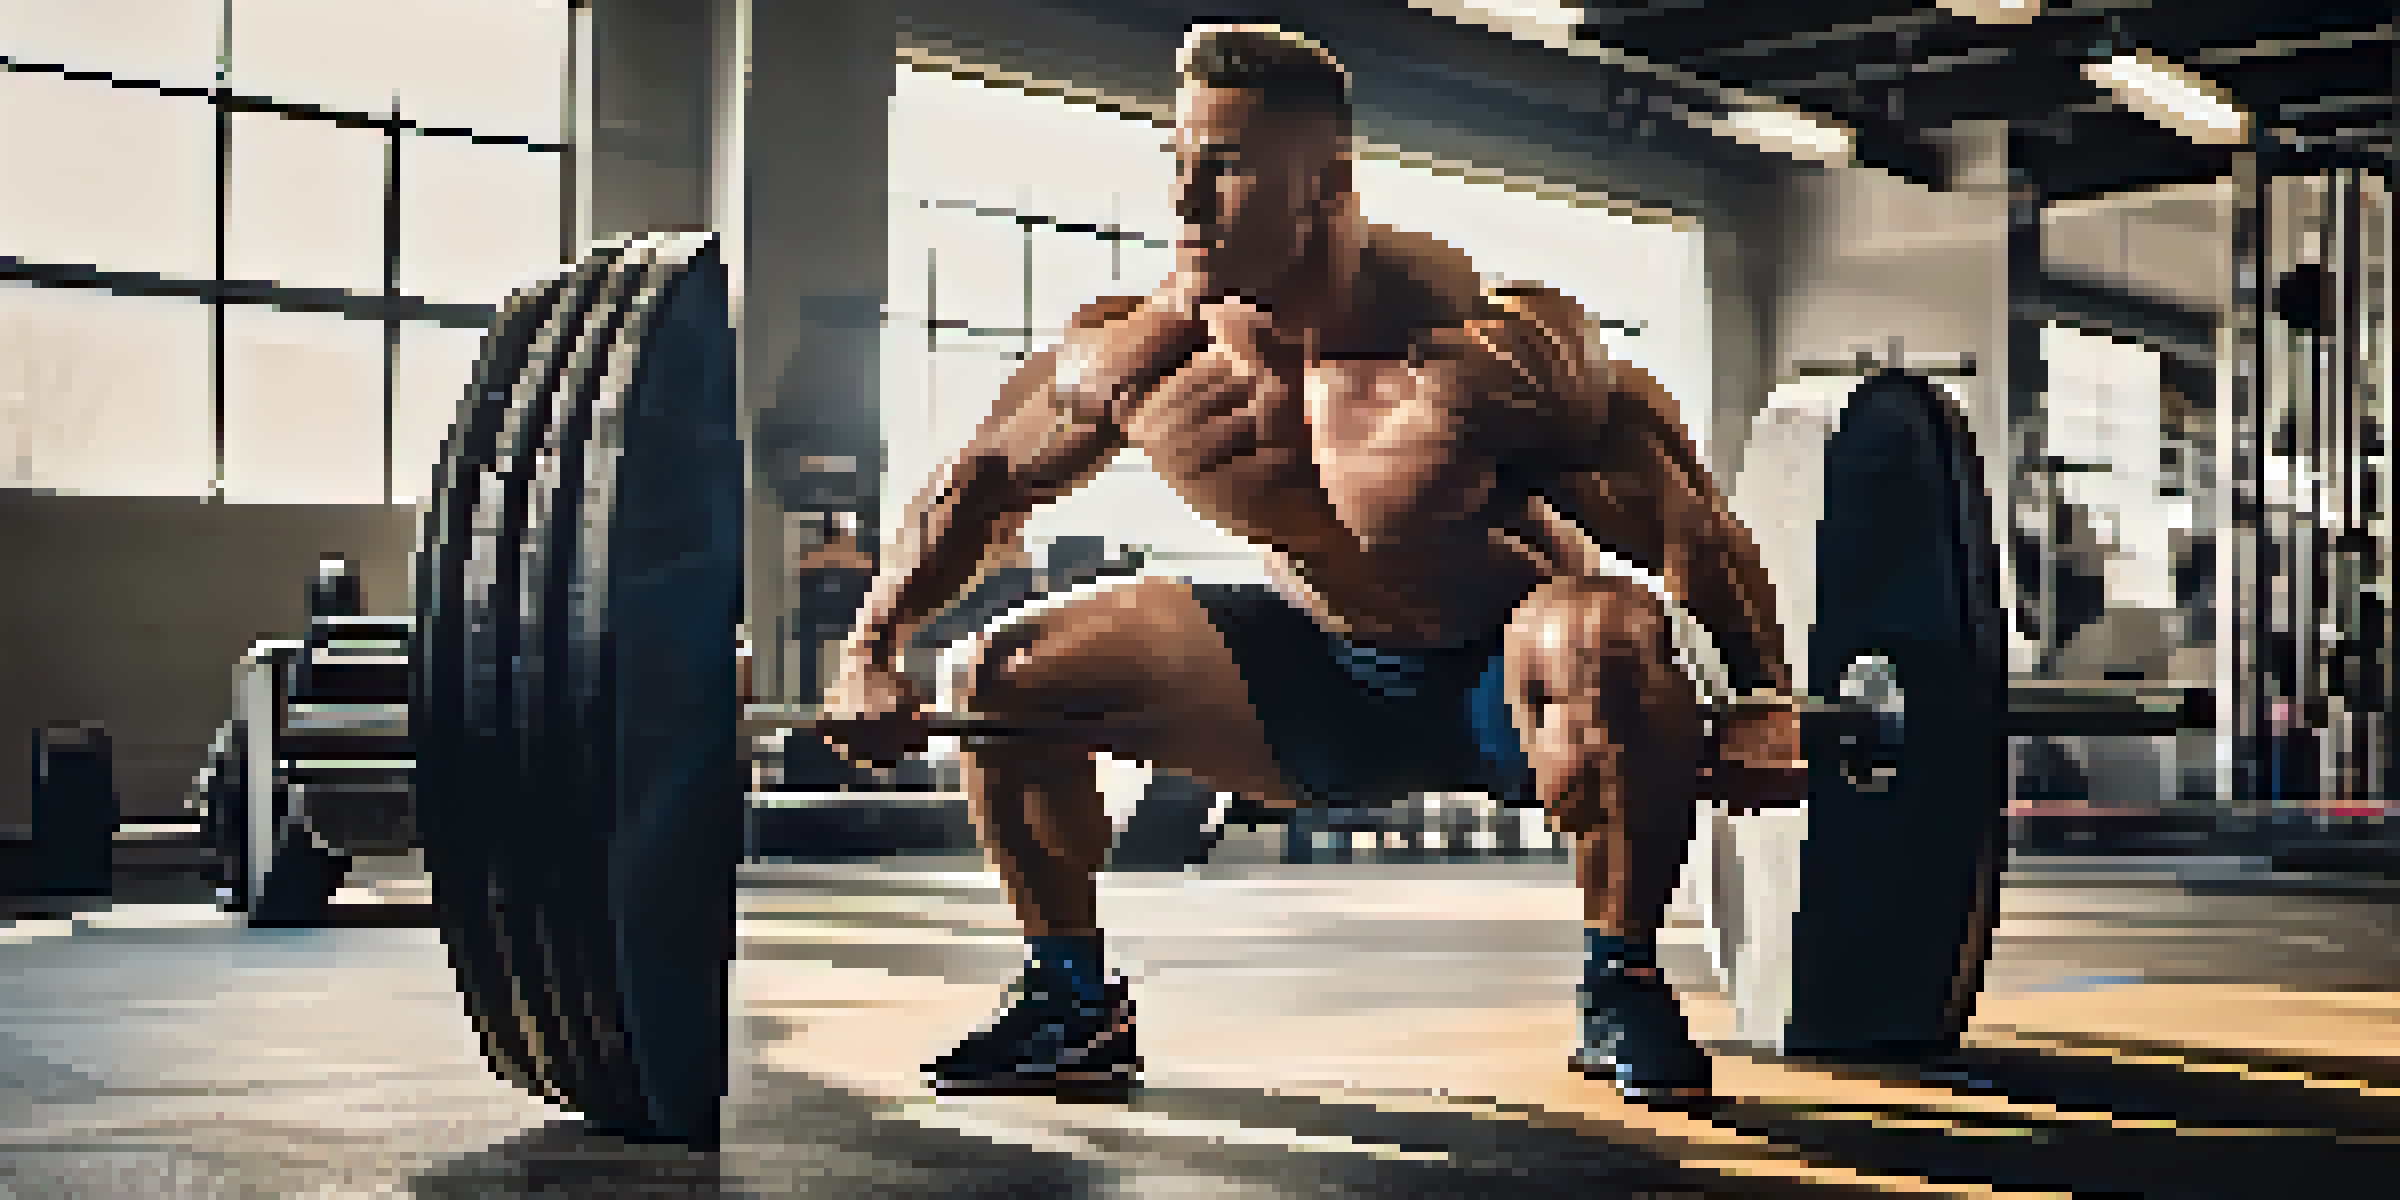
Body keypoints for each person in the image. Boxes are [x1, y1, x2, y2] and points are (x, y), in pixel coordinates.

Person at [819, 22, 1805, 1109]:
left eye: (1228, 168)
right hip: (1312, 683)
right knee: (1007, 674)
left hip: (1517, 696)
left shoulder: (1480, 355)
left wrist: (1762, 697)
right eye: (1179, 164)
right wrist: (871, 648)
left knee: (1605, 625)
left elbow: (1684, 527)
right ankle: (1070, 998)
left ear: (1327, 183)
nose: (1187, 204)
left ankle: (1619, 982)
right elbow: (976, 491)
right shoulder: (1139, 361)